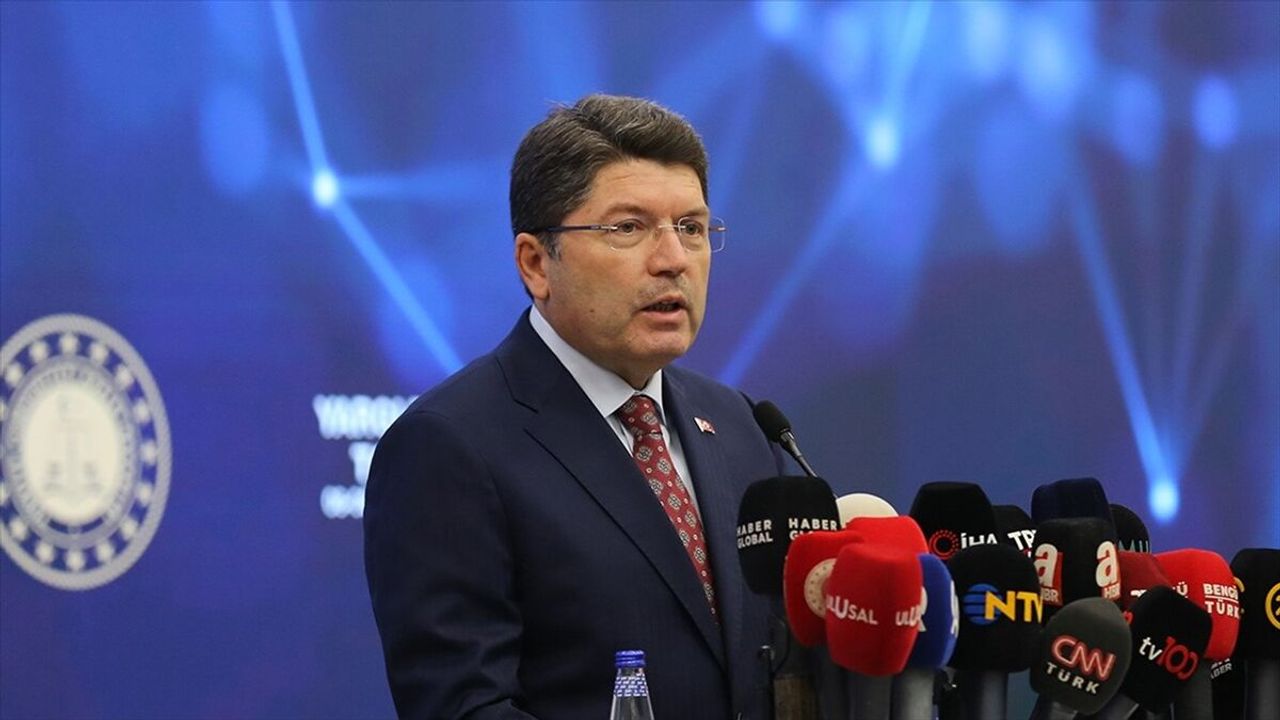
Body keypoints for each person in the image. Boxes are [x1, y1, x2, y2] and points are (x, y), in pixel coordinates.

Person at [364, 94, 785, 720]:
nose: (673, 260)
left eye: (691, 228)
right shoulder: (449, 445)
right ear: (536, 263)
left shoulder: (742, 426)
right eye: (628, 228)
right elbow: (465, 706)